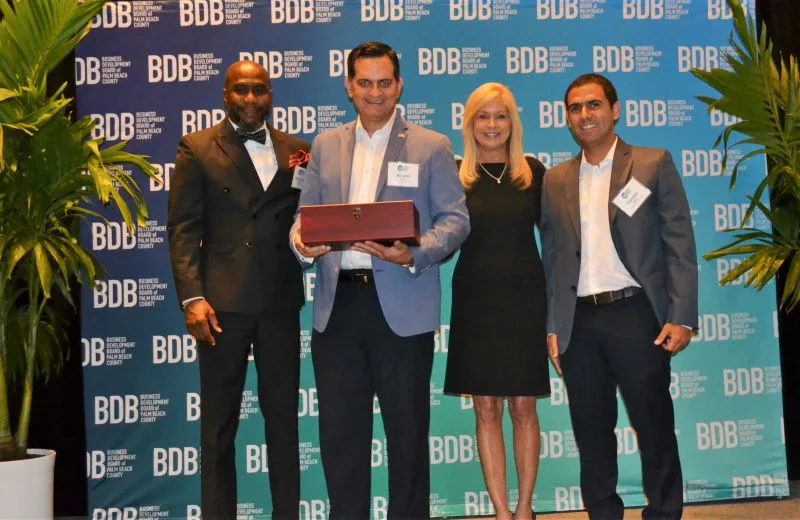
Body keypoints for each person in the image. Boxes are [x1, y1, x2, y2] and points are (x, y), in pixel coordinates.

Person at [290, 41, 469, 519]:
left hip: (403, 309)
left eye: (384, 82)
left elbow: (455, 221)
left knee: (407, 435)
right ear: (349, 86)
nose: (375, 92)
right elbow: (304, 216)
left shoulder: (431, 145)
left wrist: (413, 252)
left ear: (399, 85)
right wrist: (301, 244)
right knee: (341, 437)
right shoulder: (325, 145)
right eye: (365, 82)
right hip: (338, 311)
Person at [540, 73, 697, 520]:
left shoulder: (651, 163)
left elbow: (679, 243)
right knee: (591, 431)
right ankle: (603, 513)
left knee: (653, 425)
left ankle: (664, 511)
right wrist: (553, 326)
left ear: (615, 110)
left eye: (593, 105)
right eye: (575, 108)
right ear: (567, 117)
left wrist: (682, 315)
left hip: (636, 315)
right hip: (579, 323)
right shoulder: (555, 180)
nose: (584, 115)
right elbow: (552, 260)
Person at [167, 60, 309, 520]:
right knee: (218, 426)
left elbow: (305, 219)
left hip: (280, 303)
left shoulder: (298, 151)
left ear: (271, 95)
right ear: (225, 95)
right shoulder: (197, 148)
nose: (251, 99)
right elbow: (183, 230)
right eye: (241, 90)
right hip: (220, 307)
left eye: (259, 90)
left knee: (283, 422)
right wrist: (192, 298)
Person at [444, 83, 549, 520]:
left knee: (524, 406)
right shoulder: (454, 175)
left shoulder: (533, 172)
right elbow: (439, 241)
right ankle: (501, 512)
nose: (492, 125)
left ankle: (524, 509)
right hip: (476, 302)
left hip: (526, 300)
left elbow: (557, 242)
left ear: (512, 122)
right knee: (485, 408)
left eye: (500, 115)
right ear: (470, 124)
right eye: (483, 116)